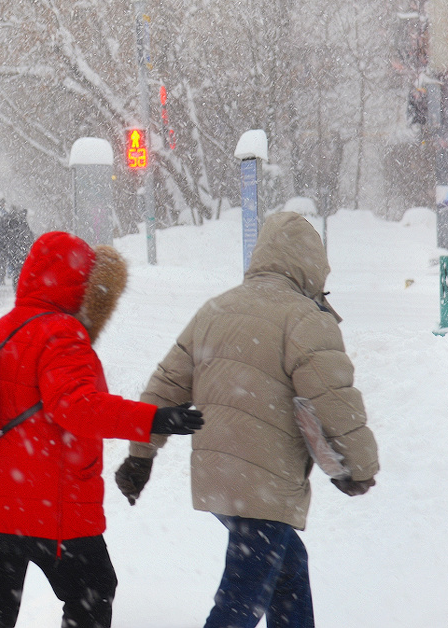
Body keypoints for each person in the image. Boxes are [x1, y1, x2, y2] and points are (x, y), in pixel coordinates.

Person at [114, 212, 379, 628]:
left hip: (220, 476)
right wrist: (359, 468)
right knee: (241, 601)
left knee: (287, 568)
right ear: (312, 264)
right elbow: (335, 402)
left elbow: (164, 386)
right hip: (265, 482)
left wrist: (140, 456)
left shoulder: (216, 309)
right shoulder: (306, 318)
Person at [0, 232, 204, 628]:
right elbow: (77, 407)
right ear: (80, 284)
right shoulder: (61, 332)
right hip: (47, 503)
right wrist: (153, 418)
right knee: (93, 593)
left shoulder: (4, 328)